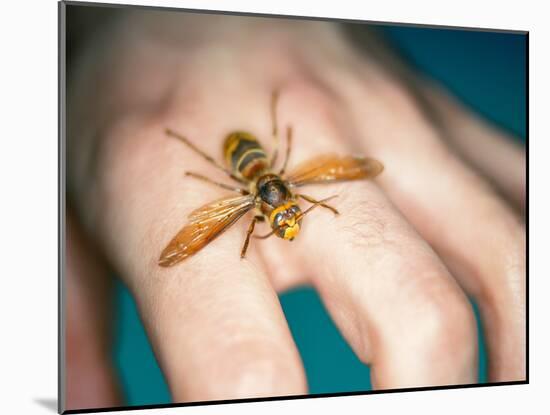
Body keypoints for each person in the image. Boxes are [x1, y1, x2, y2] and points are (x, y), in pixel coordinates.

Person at [65, 9, 526, 410]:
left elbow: (329, 175)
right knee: (209, 171)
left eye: (288, 214)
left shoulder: (292, 185)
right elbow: (207, 227)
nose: (289, 216)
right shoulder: (248, 202)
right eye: (286, 214)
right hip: (238, 156)